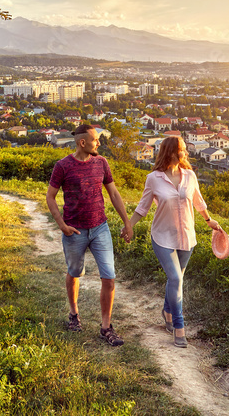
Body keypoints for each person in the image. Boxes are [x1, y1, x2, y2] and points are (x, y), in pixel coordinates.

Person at [122, 136, 219, 347]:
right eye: (182, 149)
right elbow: (142, 208)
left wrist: (209, 220)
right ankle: (179, 326)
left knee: (176, 280)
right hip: (162, 236)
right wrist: (129, 226)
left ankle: (167, 311)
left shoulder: (190, 176)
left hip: (186, 236)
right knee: (176, 278)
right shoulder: (153, 178)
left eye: (184, 148)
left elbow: (198, 201)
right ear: (171, 152)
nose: (185, 152)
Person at [46, 124, 130, 346]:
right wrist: (62, 225)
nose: (99, 144)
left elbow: (113, 193)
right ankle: (74, 315)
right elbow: (51, 197)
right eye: (96, 140)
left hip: (100, 228)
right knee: (74, 273)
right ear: (83, 143)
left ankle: (106, 327)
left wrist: (127, 222)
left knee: (109, 277)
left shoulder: (102, 162)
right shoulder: (62, 166)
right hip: (74, 230)